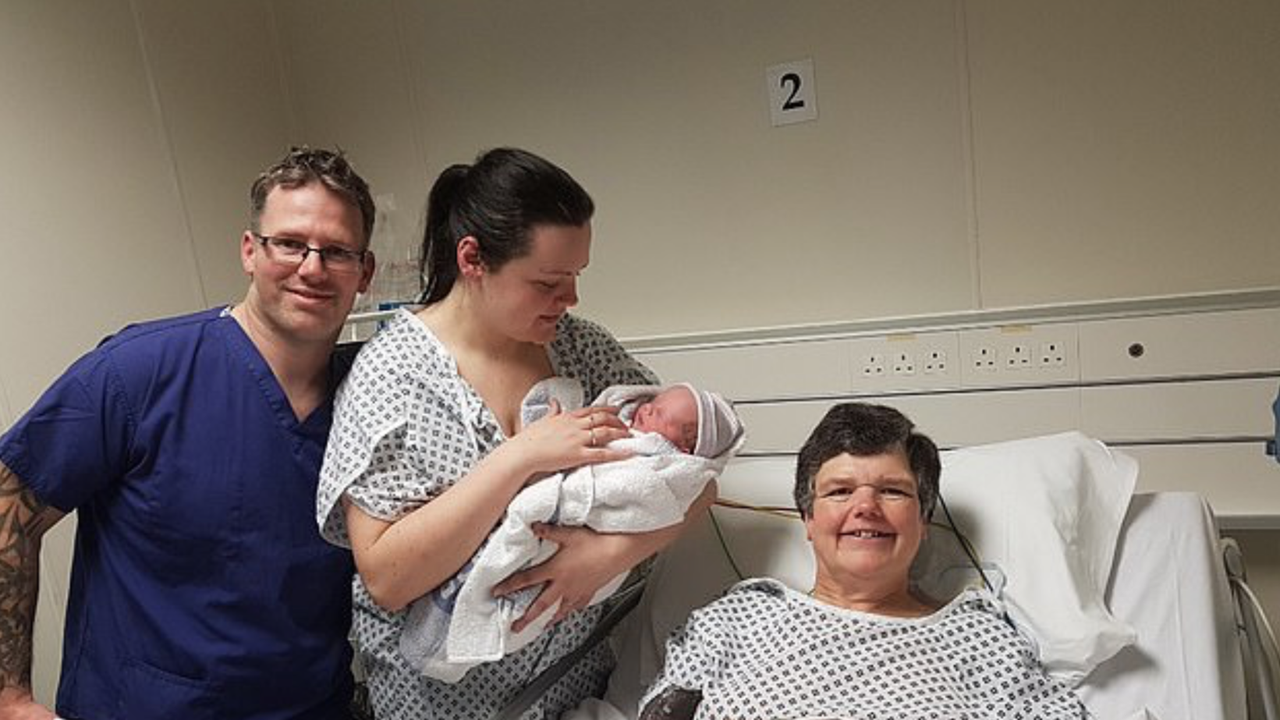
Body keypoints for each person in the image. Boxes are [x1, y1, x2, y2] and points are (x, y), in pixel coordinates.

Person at [315, 147, 717, 720]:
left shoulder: (580, 348)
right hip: (443, 703)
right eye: (549, 282)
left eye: (575, 277)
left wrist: (608, 556)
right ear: (472, 258)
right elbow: (387, 577)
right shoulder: (393, 377)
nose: (570, 299)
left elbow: (695, 478)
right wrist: (519, 459)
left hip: (575, 685)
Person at [0, 147, 376, 720]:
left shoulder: (373, 399)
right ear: (250, 251)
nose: (312, 267)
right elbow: (7, 502)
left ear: (365, 271)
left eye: (337, 251)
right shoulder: (139, 374)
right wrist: (9, 696)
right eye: (289, 243)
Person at [639, 402, 1088, 719]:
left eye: (892, 490)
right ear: (809, 519)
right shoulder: (738, 619)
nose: (866, 507)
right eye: (840, 491)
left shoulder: (979, 638)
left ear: (923, 520)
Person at [399, 380, 744, 682]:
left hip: (571, 653)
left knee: (514, 589)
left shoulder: (659, 463)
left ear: (686, 446)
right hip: (444, 692)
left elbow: (697, 487)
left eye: (661, 412)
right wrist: (531, 454)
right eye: (654, 402)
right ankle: (441, 638)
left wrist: (610, 553)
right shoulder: (402, 380)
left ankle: (451, 640)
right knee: (492, 573)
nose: (648, 408)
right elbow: (387, 585)